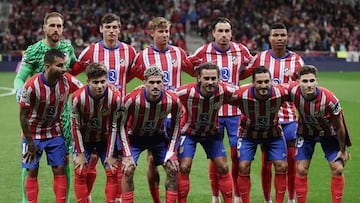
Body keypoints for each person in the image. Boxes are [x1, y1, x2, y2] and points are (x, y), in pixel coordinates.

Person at [70, 13, 137, 203]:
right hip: (91, 115)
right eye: (108, 27)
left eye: (115, 27)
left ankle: (115, 199)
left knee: (115, 165)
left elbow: (130, 74)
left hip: (117, 115)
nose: (112, 31)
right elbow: (73, 71)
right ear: (101, 29)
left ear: (120, 28)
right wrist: (84, 92)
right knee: (88, 164)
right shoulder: (91, 51)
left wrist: (116, 89)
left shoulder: (129, 51)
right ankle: (87, 196)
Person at [13, 11, 77, 203]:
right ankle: (27, 200)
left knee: (63, 161)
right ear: (44, 28)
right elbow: (19, 78)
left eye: (59, 26)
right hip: (35, 114)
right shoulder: (33, 51)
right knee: (30, 163)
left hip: (61, 117)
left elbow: (72, 69)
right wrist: (21, 95)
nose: (56, 29)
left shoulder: (67, 48)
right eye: (52, 26)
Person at [130, 16, 195, 203]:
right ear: (152, 34)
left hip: (175, 114)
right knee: (152, 159)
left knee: (178, 163)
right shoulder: (143, 56)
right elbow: (133, 74)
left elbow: (192, 71)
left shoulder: (178, 53)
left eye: (167, 31)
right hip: (154, 114)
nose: (165, 35)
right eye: (160, 31)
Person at [189, 17, 253, 203]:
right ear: (213, 33)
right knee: (215, 155)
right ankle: (215, 196)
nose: (224, 35)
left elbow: (250, 69)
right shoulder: (203, 52)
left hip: (234, 113)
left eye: (227, 31)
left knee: (236, 154)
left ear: (231, 33)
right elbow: (190, 67)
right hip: (212, 113)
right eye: (220, 31)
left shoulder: (241, 50)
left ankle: (237, 195)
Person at [243, 22, 304, 203]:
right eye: (275, 35)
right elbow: (244, 77)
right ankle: (267, 199)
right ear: (269, 38)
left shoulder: (296, 60)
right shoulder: (260, 58)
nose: (279, 39)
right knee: (266, 162)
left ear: (287, 37)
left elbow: (303, 89)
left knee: (291, 161)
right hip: (266, 120)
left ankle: (291, 198)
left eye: (282, 35)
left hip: (290, 119)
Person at [19, 49, 82, 203]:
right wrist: (30, 142)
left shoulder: (67, 80)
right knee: (31, 170)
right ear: (47, 66)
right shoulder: (31, 86)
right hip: (32, 134)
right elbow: (22, 115)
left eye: (65, 65)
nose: (64, 69)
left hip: (55, 132)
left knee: (59, 168)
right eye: (59, 65)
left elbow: (84, 91)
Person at [176, 62, 239, 203]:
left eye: (213, 79)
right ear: (199, 78)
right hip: (189, 133)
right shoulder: (186, 91)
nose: (210, 82)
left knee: (223, 167)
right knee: (184, 167)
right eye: (206, 79)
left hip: (212, 133)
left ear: (218, 79)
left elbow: (243, 93)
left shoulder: (224, 90)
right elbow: (167, 95)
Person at [120, 66, 181, 203]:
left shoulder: (173, 100)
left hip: (157, 137)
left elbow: (177, 124)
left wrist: (171, 151)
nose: (155, 86)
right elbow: (121, 125)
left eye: (158, 82)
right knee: (128, 170)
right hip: (134, 138)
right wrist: (127, 154)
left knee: (172, 168)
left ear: (163, 83)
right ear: (144, 82)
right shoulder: (132, 99)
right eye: (151, 82)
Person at [289, 65, 350, 203]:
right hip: (305, 133)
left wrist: (342, 150)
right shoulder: (292, 91)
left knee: (338, 169)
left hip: (329, 133)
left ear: (317, 80)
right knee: (301, 169)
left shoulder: (329, 99)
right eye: (305, 81)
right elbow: (276, 90)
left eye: (312, 81)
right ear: (298, 81)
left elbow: (340, 127)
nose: (309, 85)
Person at [233, 66, 288, 203]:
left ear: (271, 82)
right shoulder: (241, 94)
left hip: (273, 133)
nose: (263, 85)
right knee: (243, 166)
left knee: (281, 165)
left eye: (266, 81)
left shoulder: (280, 92)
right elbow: (221, 96)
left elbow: (298, 89)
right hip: (248, 134)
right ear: (253, 83)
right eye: (259, 82)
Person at [71, 62, 121, 203]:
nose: (100, 86)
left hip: (105, 139)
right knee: (80, 170)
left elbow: (114, 127)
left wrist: (110, 155)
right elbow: (76, 127)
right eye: (95, 82)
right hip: (84, 140)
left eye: (102, 82)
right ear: (88, 82)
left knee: (112, 171)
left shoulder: (115, 97)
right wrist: (80, 154)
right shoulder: (77, 98)